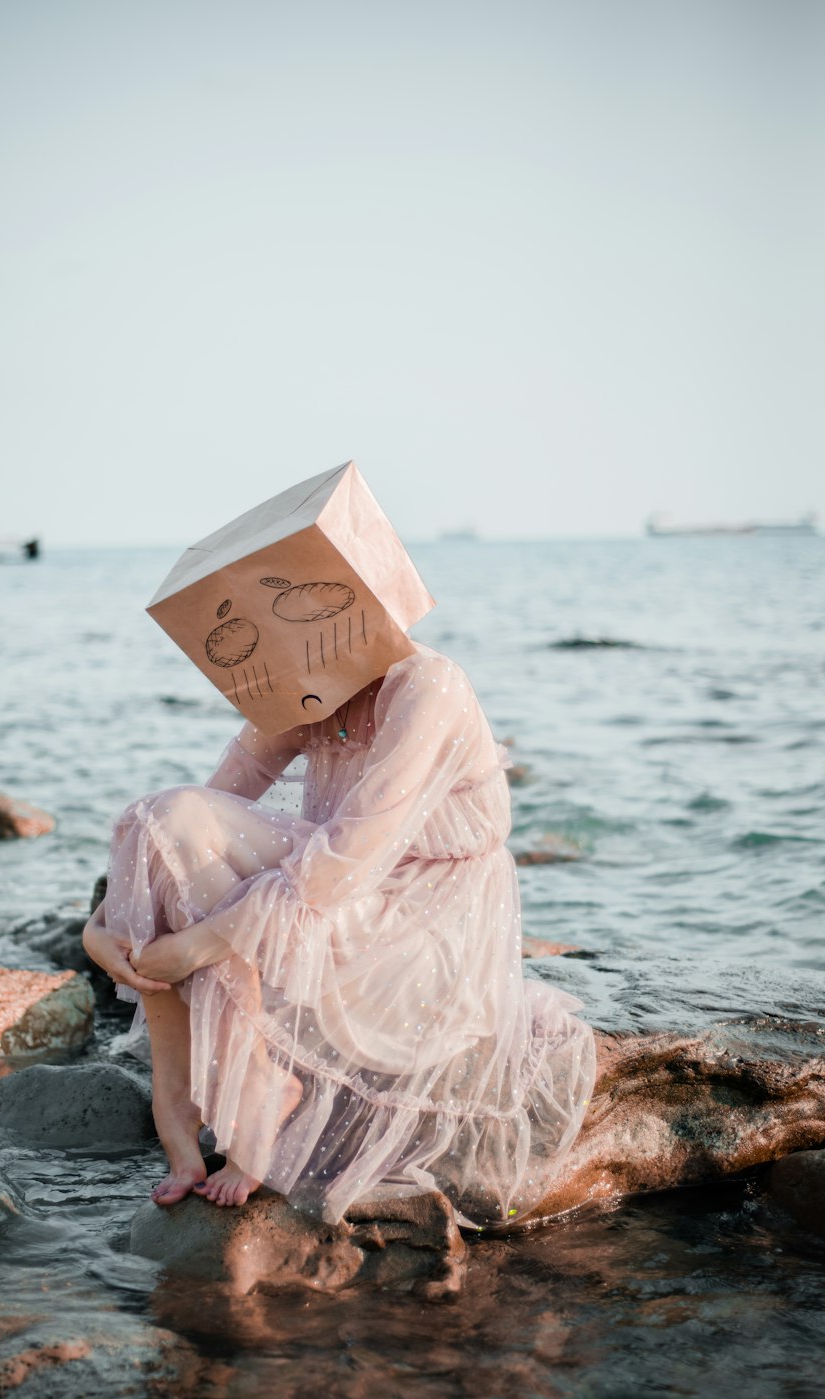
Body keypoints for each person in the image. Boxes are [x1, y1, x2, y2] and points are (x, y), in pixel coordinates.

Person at [83, 463, 597, 1227]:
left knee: (182, 840)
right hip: (337, 897)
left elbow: (342, 864)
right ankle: (184, 1088)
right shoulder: (303, 692)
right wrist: (104, 930)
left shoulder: (430, 686)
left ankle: (249, 1082)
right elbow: (195, 814)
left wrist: (194, 947)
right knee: (159, 822)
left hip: (420, 922)